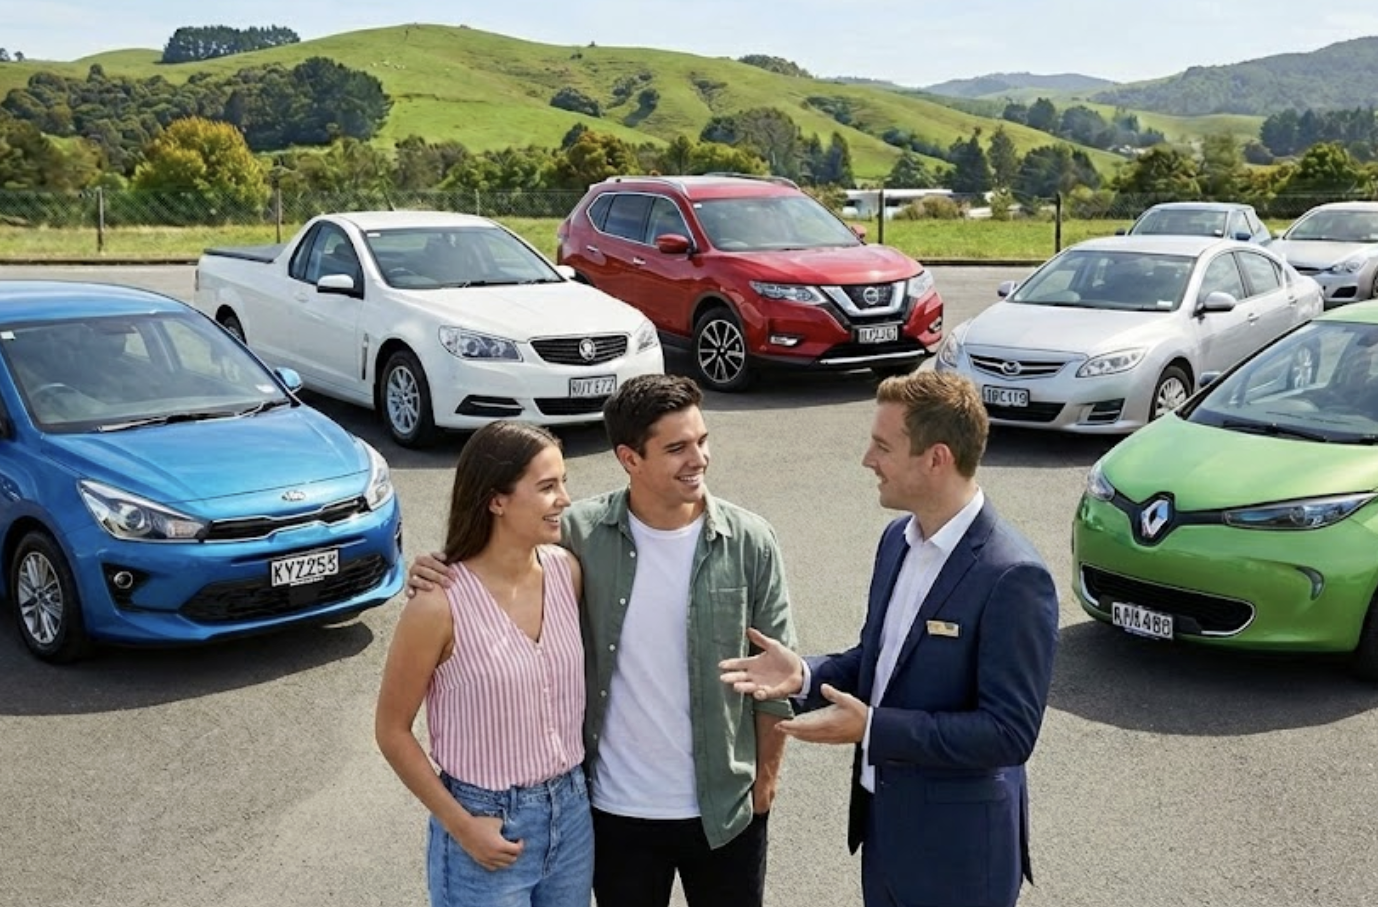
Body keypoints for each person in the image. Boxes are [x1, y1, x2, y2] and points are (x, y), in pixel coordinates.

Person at [407, 373, 797, 907]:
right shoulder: (579, 534)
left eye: (702, 441)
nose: (699, 459)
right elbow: (501, 547)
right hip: (614, 814)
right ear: (629, 459)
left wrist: (764, 782)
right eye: (678, 448)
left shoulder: (751, 541)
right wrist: (434, 566)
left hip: (725, 809)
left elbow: (776, 677)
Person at [718, 369, 1060, 907]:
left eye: (882, 446)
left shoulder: (1013, 577)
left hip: (960, 859)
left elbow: (1008, 734)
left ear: (936, 458)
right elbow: (880, 664)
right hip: (887, 839)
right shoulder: (896, 541)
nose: (866, 460)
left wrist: (874, 728)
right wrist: (804, 674)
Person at [375, 420, 592, 907]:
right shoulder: (437, 604)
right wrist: (462, 827)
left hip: (573, 816)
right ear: (497, 500)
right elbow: (391, 730)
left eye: (563, 482)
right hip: (485, 822)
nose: (565, 499)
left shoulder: (567, 573)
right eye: (547, 486)